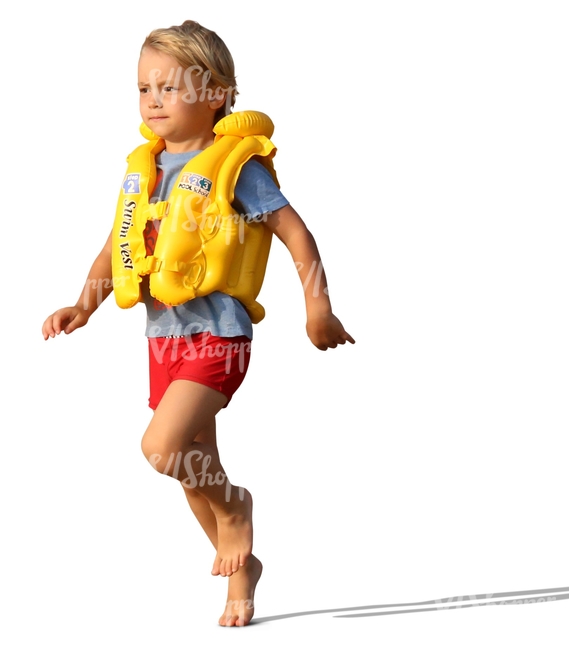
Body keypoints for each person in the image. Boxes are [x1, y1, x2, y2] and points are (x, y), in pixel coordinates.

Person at [41, 20, 354, 627]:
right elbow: (117, 246)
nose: (153, 99)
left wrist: (318, 306)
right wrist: (84, 303)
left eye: (170, 86)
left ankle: (235, 511)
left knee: (162, 449)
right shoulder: (144, 169)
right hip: (163, 337)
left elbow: (297, 234)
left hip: (220, 334)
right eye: (142, 88)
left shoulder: (238, 168)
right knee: (192, 465)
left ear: (217, 94)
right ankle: (241, 575)